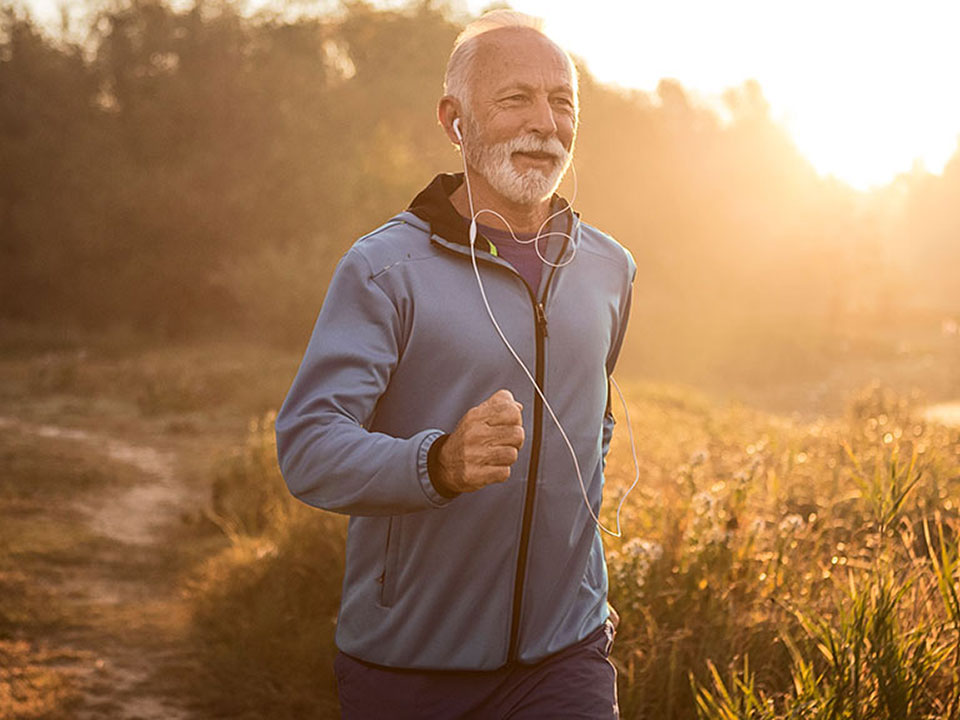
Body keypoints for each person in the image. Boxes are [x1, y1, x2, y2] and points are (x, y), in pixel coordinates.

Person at [275, 9, 635, 719]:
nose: (545, 122)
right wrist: (437, 464)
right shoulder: (384, 269)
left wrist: (580, 590)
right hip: (410, 664)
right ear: (454, 120)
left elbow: (593, 429)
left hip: (567, 658)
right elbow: (308, 446)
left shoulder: (609, 268)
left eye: (562, 101)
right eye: (515, 99)